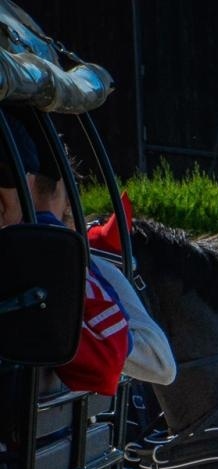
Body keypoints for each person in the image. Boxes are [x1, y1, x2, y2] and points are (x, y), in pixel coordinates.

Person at [0, 108, 174, 394]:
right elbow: (162, 366)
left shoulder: (58, 261)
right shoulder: (84, 265)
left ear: (29, 186)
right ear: (64, 197)